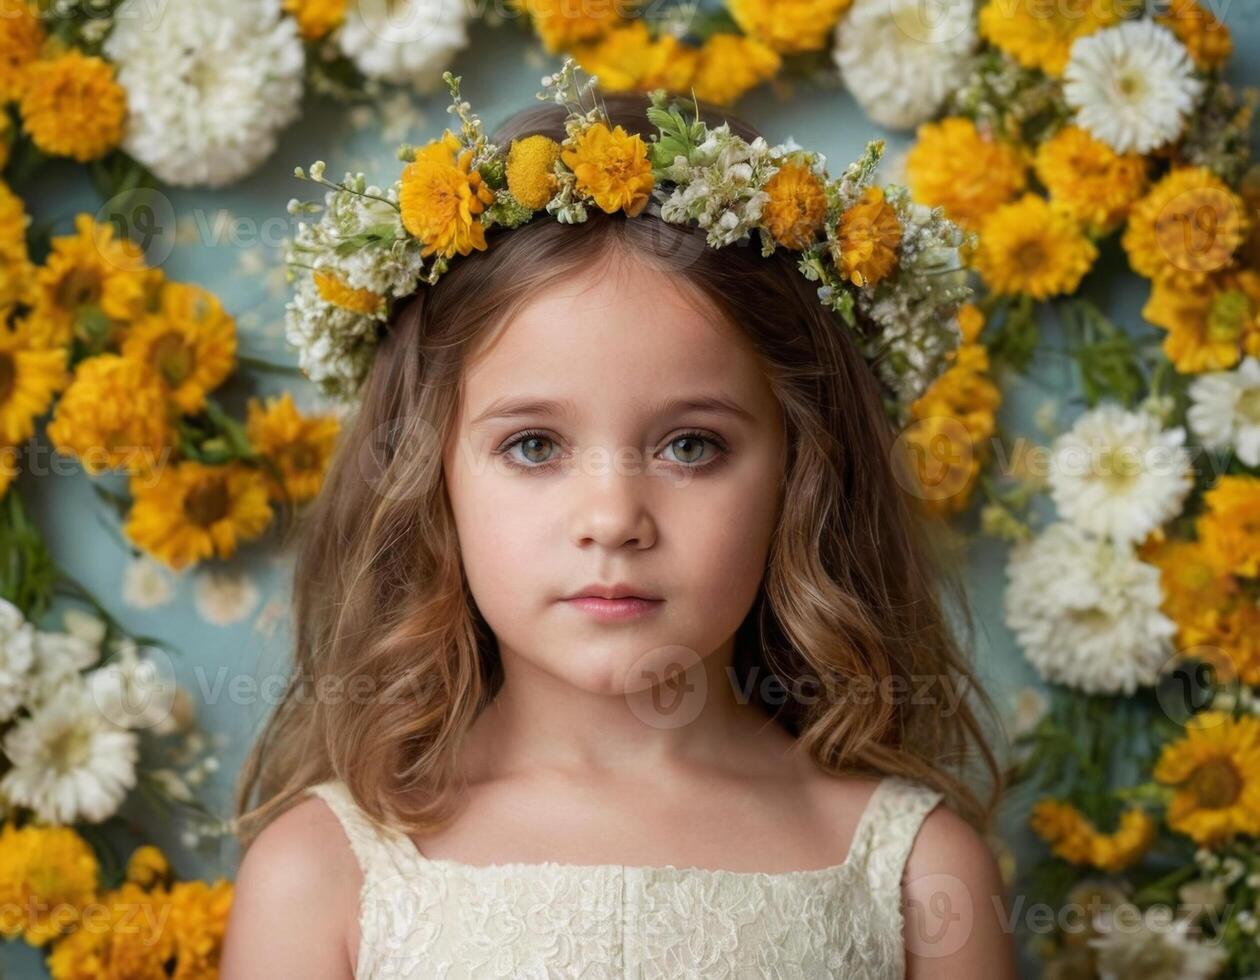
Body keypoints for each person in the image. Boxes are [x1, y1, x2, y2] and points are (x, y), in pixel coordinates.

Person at [221, 62, 1019, 979]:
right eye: (532, 447)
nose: (613, 519)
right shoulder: (322, 876)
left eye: (690, 447)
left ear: (803, 473)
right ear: (426, 475)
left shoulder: (919, 879)